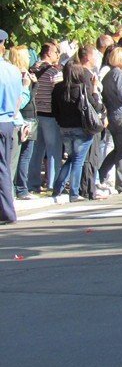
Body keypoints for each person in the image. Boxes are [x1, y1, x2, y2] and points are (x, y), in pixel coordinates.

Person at [51, 60, 104, 203]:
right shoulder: (82, 88)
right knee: (78, 161)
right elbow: (96, 107)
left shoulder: (57, 88)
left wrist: (61, 122)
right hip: (81, 128)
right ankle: (74, 193)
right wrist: (94, 89)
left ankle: (57, 188)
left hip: (64, 128)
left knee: (71, 158)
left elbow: (54, 110)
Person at [96, 47, 122, 194]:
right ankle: (120, 182)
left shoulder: (108, 75)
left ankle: (101, 174)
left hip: (113, 114)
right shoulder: (119, 75)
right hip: (121, 114)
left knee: (119, 148)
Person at [26, 42, 63, 194]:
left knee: (36, 150)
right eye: (56, 52)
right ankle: (53, 183)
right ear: (48, 53)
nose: (57, 55)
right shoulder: (53, 72)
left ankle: (33, 183)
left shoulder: (31, 70)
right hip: (50, 114)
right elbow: (58, 91)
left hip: (35, 114)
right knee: (54, 150)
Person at [8, 46, 35, 200]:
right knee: (15, 160)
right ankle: (14, 193)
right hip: (18, 120)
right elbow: (20, 103)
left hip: (16, 120)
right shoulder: (19, 75)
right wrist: (27, 87)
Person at [1, 30, 23, 223]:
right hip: (8, 122)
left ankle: (7, 211)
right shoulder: (13, 70)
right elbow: (18, 100)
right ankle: (7, 210)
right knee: (4, 168)